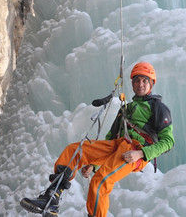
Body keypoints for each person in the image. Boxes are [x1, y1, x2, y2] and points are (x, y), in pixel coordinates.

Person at [20, 62, 174, 217]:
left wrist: (141, 153)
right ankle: (52, 197)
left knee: (99, 183)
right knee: (75, 150)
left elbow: (168, 142)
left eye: (145, 80)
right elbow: (110, 139)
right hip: (118, 145)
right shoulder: (125, 108)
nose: (140, 84)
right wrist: (93, 165)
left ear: (152, 83)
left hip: (134, 151)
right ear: (132, 83)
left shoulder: (158, 108)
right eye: (137, 80)